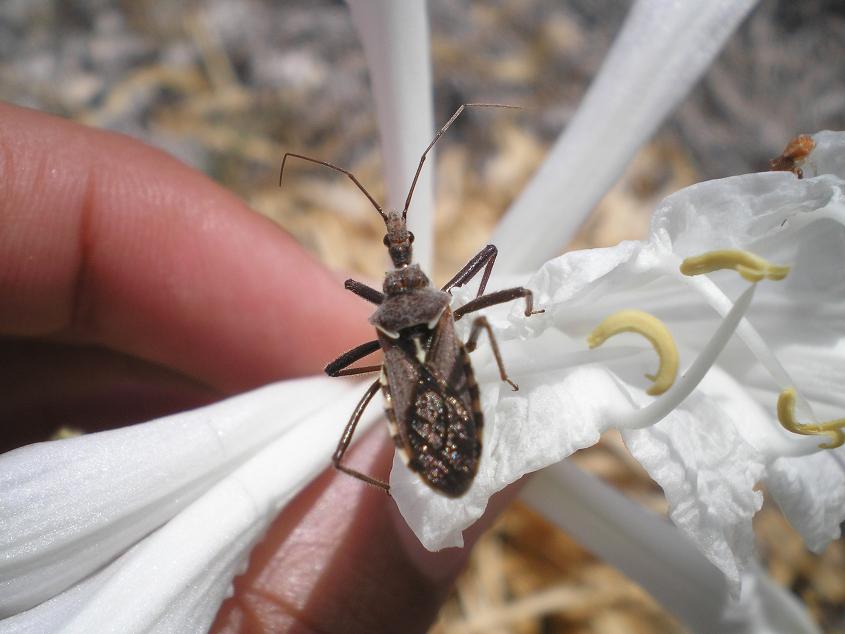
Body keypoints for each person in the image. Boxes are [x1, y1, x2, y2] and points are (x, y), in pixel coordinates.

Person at [0, 101, 513, 633]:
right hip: (444, 367)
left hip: (400, 382)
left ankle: (400, 494)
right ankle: (412, 488)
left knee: (341, 446)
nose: (399, 244)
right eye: (396, 243)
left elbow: (339, 367)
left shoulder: (389, 317)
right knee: (469, 343)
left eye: (398, 243)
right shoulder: (442, 306)